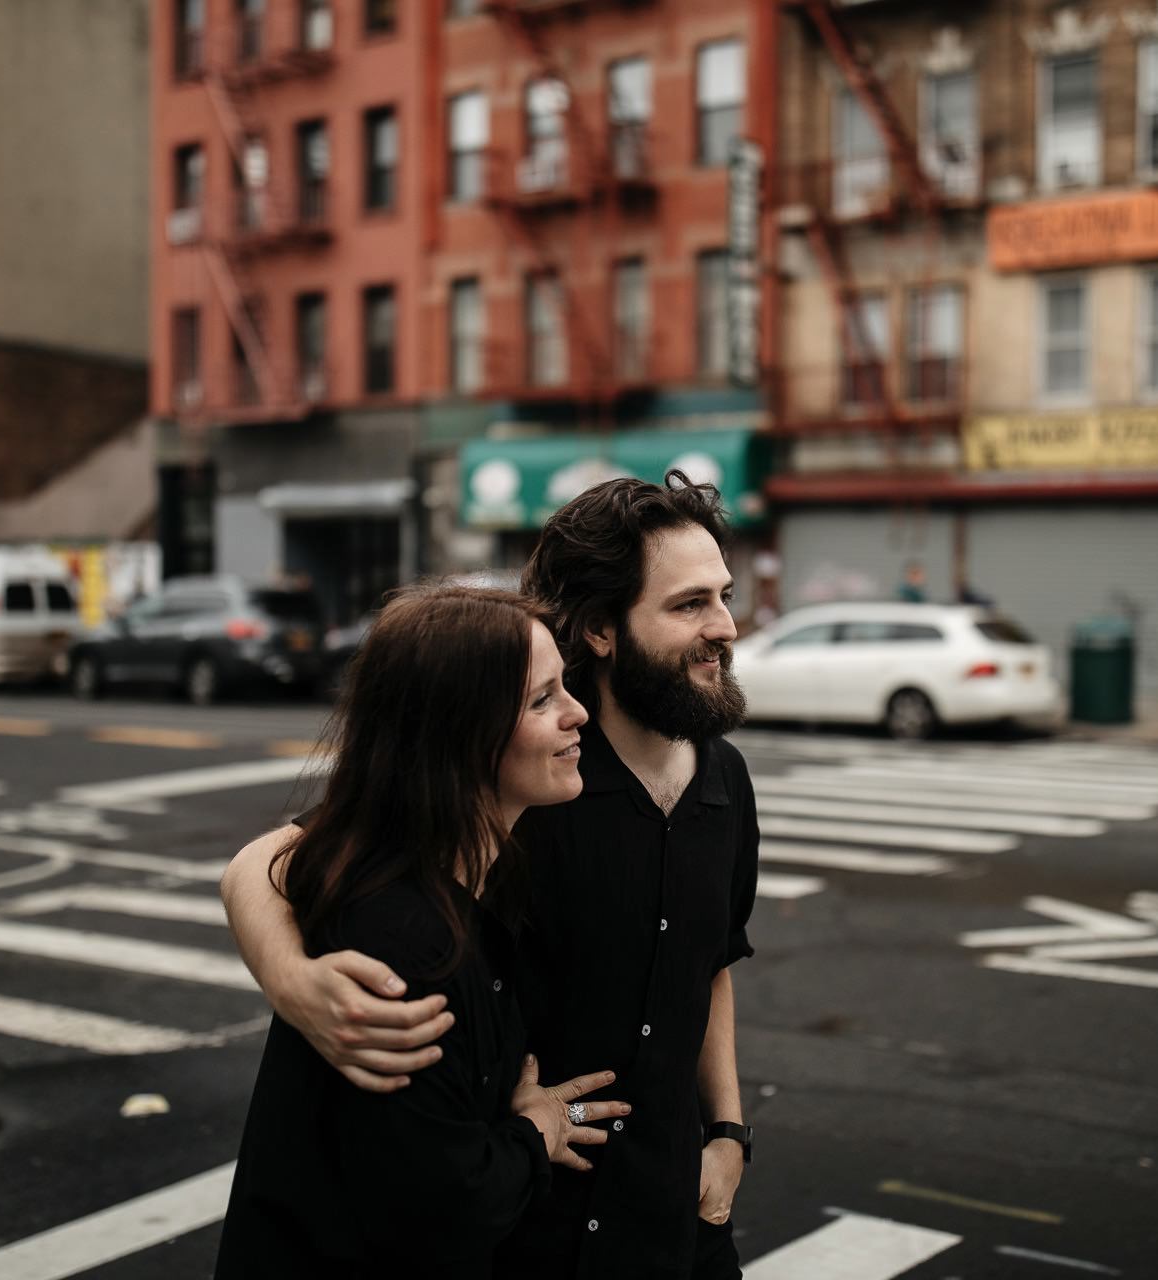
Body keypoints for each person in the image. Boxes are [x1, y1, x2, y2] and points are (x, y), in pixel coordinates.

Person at [220, 472, 761, 1280]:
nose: (724, 626)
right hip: (526, 1222)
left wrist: (726, 1130)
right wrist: (294, 982)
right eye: (689, 605)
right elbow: (269, 861)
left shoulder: (726, 783)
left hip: (674, 1210)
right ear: (604, 630)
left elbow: (711, 961)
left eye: (723, 595)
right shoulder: (528, 771)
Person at [214, 585, 629, 1278]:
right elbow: (443, 1210)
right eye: (541, 699)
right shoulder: (404, 953)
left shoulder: (433, 863)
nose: (577, 713)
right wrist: (535, 1131)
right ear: (459, 735)